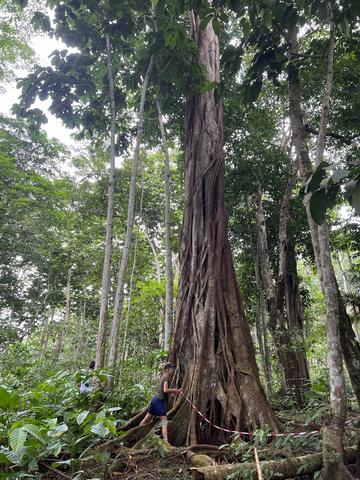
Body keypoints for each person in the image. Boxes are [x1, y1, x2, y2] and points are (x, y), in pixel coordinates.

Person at [139, 362, 181, 445]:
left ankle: (137, 432)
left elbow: (163, 391)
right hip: (159, 402)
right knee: (164, 421)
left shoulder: (163, 377)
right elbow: (165, 390)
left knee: (147, 418)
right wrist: (174, 390)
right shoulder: (166, 377)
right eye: (172, 369)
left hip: (154, 400)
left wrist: (173, 393)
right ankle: (166, 442)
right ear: (167, 370)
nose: (173, 371)